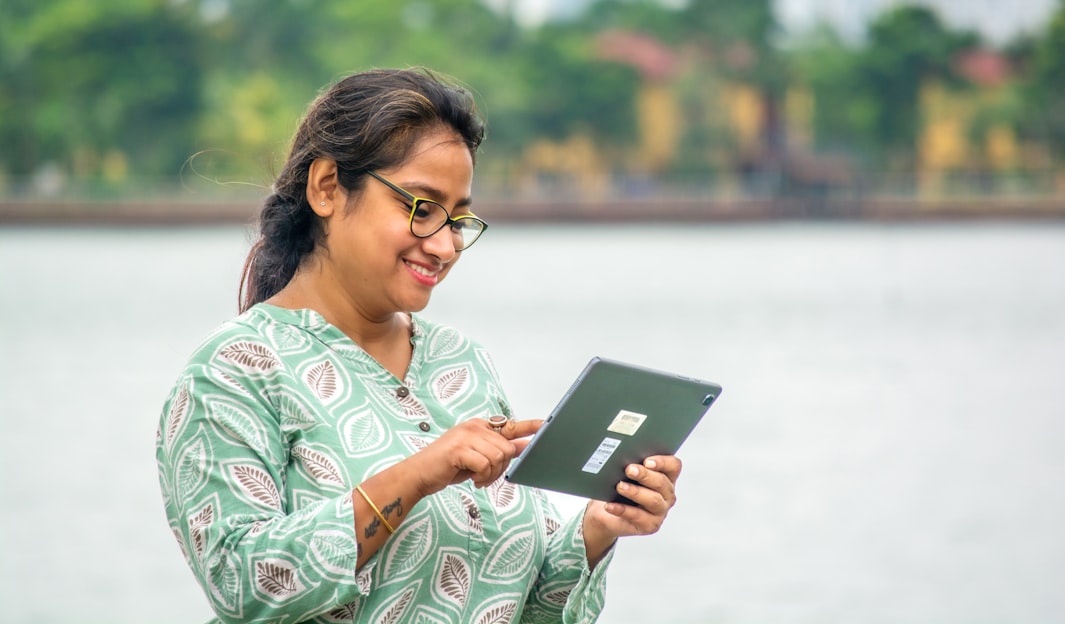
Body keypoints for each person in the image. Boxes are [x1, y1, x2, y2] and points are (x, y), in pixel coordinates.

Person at [155, 67, 682, 624]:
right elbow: (240, 583)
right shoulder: (236, 368)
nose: (445, 246)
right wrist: (418, 474)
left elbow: (517, 606)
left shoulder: (462, 362)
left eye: (458, 220)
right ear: (327, 187)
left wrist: (599, 528)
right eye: (422, 208)